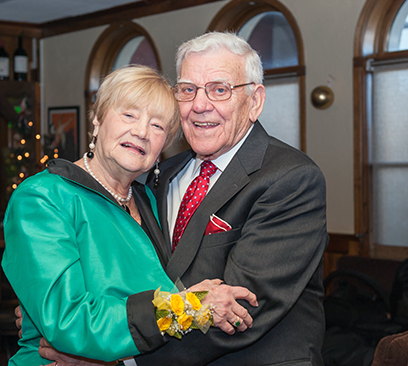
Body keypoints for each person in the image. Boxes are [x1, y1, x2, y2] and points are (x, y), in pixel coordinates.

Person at [37, 31, 329, 366]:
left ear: (255, 101)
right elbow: (124, 276)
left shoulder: (290, 178)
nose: (200, 105)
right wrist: (48, 312)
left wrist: (117, 360)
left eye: (219, 90)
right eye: (188, 90)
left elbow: (238, 313)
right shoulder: (161, 175)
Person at [2, 65, 258, 366]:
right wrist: (189, 307)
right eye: (129, 115)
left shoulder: (150, 201)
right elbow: (67, 321)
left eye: (158, 126)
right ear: (97, 120)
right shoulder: (43, 197)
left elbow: (164, 294)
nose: (141, 132)